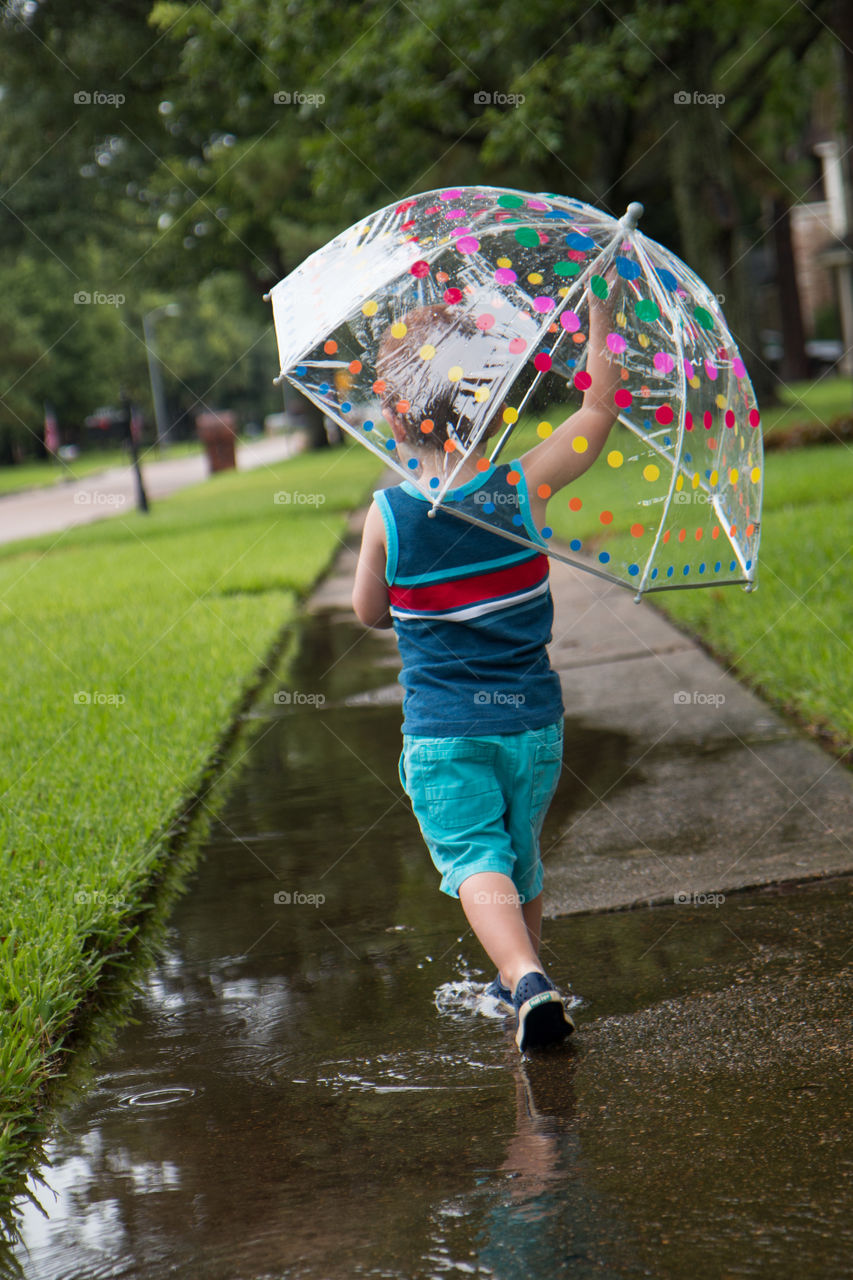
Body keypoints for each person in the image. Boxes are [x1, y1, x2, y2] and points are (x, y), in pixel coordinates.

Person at [352, 280, 620, 1050]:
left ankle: (527, 980)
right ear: (490, 399)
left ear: (394, 410)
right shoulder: (522, 485)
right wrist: (599, 319)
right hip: (532, 723)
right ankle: (520, 981)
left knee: (476, 859)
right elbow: (596, 414)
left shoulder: (390, 512)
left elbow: (369, 612)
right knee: (520, 857)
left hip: (444, 735)